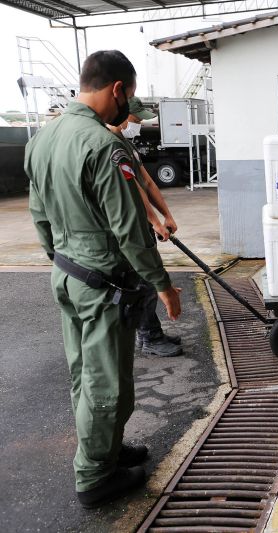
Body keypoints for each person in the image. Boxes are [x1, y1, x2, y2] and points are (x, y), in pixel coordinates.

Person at [25, 50, 183, 508]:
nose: (127, 111)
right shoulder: (103, 145)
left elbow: (40, 217)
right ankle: (95, 475)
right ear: (117, 89)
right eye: (128, 99)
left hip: (69, 276)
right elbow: (130, 231)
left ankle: (106, 450)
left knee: (84, 374)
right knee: (107, 382)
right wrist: (163, 284)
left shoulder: (43, 137)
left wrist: (63, 259)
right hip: (102, 287)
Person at [107, 97, 183, 357]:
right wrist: (155, 221)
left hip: (141, 225)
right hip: (127, 228)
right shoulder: (111, 148)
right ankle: (149, 337)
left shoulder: (127, 145)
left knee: (146, 281)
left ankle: (150, 333)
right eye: (136, 119)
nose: (138, 124)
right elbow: (135, 191)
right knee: (143, 282)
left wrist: (167, 215)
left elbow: (148, 183)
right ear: (122, 114)